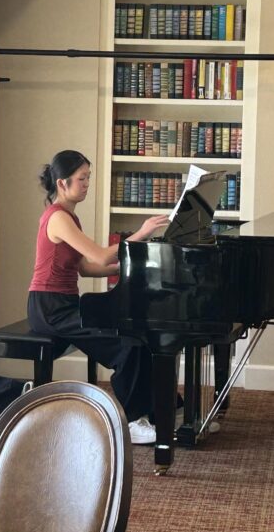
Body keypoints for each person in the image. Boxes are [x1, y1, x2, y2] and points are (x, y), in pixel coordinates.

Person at [27, 149, 168, 445]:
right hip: (50, 308)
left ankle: (156, 411)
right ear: (62, 183)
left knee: (138, 333)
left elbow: (86, 268)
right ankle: (130, 421)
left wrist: (126, 268)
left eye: (88, 178)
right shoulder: (57, 218)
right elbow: (102, 256)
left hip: (65, 304)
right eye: (82, 179)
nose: (87, 184)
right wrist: (141, 233)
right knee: (127, 345)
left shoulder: (69, 218)